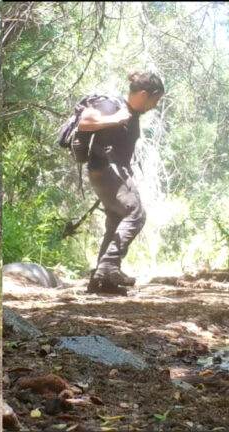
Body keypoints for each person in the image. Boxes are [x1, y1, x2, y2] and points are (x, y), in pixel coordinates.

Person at [78, 72, 164, 295]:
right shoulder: (113, 106)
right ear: (144, 94)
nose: (154, 106)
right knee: (136, 213)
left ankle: (101, 282)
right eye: (154, 100)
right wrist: (113, 120)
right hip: (106, 170)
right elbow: (84, 122)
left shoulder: (131, 112)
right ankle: (108, 267)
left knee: (116, 220)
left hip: (107, 172)